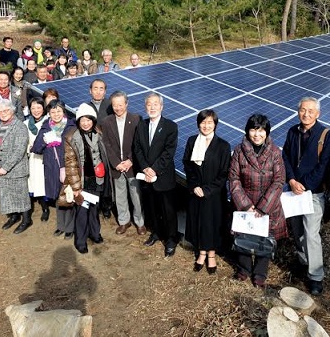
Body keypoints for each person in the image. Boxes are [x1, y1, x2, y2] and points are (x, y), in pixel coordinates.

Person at [282, 97, 330, 295]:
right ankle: (303, 261)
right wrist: (291, 180)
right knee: (297, 229)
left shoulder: (327, 135)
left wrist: (305, 185)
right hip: (293, 190)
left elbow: (325, 166)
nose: (306, 114)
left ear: (318, 114)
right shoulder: (292, 132)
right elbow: (286, 157)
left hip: (313, 193)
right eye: (302, 110)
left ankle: (316, 276)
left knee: (311, 233)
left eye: (310, 111)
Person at [228, 113, 287, 287]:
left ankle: (260, 272)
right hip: (245, 202)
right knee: (243, 235)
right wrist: (246, 205)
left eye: (261, 131)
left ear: (267, 132)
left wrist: (262, 208)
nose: (257, 134)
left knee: (265, 238)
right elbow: (233, 179)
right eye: (253, 130)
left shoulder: (275, 152)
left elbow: (279, 180)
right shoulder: (239, 151)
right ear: (247, 131)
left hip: (267, 204)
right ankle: (244, 268)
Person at [184, 109, 231, 274]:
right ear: (198, 124)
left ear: (215, 124)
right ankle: (201, 252)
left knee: (212, 224)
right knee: (199, 222)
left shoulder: (223, 146)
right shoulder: (191, 141)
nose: (206, 125)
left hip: (214, 194)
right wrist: (194, 186)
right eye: (203, 122)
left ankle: (211, 254)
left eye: (210, 122)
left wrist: (207, 190)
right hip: (196, 191)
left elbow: (224, 173)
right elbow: (187, 166)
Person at [133, 92, 179, 257]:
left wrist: (154, 169)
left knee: (168, 210)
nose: (152, 107)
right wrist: (145, 167)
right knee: (152, 208)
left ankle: (171, 239)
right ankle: (156, 233)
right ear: (145, 107)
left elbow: (169, 152)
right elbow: (137, 148)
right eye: (149, 105)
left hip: (163, 176)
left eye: (155, 104)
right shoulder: (141, 125)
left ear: (161, 106)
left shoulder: (170, 126)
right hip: (146, 176)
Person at [59, 103, 109, 253]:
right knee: (82, 210)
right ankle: (80, 241)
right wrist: (75, 187)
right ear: (78, 121)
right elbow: (70, 164)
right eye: (83, 120)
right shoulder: (71, 137)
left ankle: (95, 233)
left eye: (89, 120)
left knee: (94, 208)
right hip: (82, 180)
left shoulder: (98, 132)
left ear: (93, 120)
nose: (86, 123)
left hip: (97, 178)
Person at [99, 91, 145, 235]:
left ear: (126, 103)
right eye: (114, 105)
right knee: (120, 195)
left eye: (120, 104)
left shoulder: (137, 119)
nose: (117, 108)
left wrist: (130, 161)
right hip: (117, 166)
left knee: (136, 195)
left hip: (132, 165)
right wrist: (116, 163)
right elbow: (106, 144)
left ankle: (140, 222)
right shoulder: (107, 122)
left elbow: (138, 143)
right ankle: (124, 221)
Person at [0, 98, 33, 234]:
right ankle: (13, 216)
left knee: (20, 196)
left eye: (6, 110)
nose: (3, 113)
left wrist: (5, 167)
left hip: (15, 168)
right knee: (6, 196)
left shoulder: (19, 126)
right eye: (0, 112)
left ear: (12, 110)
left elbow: (19, 150)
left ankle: (26, 220)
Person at [31, 100, 77, 238]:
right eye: (52, 112)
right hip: (52, 168)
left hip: (69, 167)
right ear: (49, 113)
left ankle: (70, 227)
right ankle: (61, 225)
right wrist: (44, 141)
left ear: (63, 112)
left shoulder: (71, 126)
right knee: (58, 197)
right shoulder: (46, 127)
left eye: (59, 111)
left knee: (69, 196)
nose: (56, 114)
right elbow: (36, 149)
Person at [26, 98, 50, 222]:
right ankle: (42, 207)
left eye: (39, 107)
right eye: (33, 108)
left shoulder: (49, 122)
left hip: (46, 157)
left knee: (46, 183)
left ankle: (48, 207)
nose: (36, 111)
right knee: (36, 184)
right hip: (34, 158)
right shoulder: (26, 124)